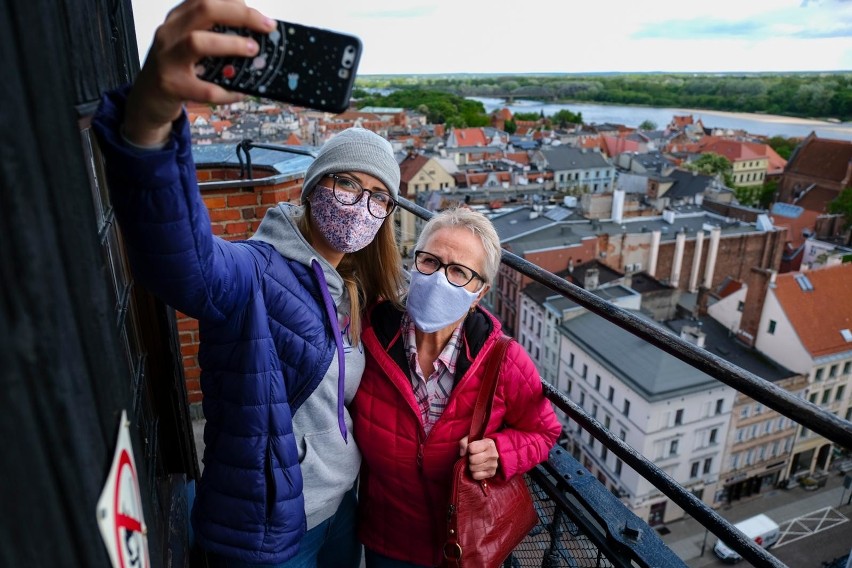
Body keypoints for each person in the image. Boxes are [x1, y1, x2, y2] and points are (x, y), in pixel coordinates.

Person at [90, 1, 405, 566]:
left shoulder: (353, 285)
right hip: (269, 529)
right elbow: (182, 261)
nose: (361, 206)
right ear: (312, 188)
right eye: (345, 184)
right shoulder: (256, 272)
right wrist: (151, 120)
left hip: (342, 510)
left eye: (378, 196)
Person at [352, 207, 562, 567]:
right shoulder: (370, 334)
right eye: (430, 261)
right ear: (414, 262)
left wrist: (502, 451)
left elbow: (543, 431)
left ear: (479, 292)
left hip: (468, 545)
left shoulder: (503, 360)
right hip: (387, 540)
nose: (439, 279)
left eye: (459, 272)